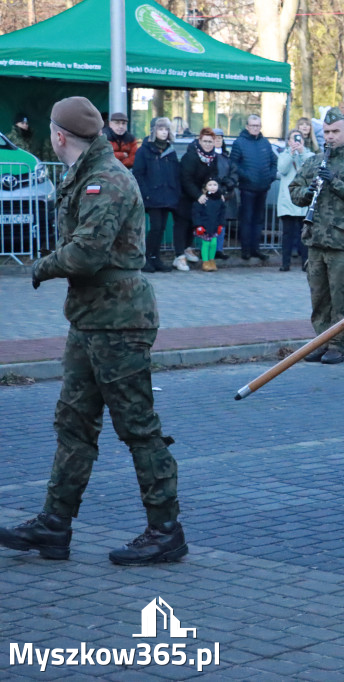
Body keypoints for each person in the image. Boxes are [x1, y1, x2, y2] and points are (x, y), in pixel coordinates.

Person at [0, 97, 186, 566]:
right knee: (74, 424)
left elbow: (86, 254)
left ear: (59, 136)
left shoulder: (106, 180)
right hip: (90, 318)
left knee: (137, 427)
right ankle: (54, 524)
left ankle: (166, 530)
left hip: (119, 321)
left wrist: (41, 266)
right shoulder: (83, 174)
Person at [289, 107, 344, 365]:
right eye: (326, 132)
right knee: (319, 299)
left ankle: (337, 344)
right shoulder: (314, 161)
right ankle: (321, 341)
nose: (330, 136)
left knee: (339, 298)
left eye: (336, 131)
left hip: (341, 243)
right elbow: (294, 190)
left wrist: (334, 181)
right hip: (315, 240)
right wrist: (309, 190)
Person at [132, 117, 186, 273]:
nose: (164, 132)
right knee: (155, 227)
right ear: (154, 130)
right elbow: (139, 173)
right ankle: (147, 257)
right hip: (152, 195)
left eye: (166, 129)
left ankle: (156, 257)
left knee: (161, 228)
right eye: (161, 129)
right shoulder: (144, 150)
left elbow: (176, 173)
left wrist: (176, 192)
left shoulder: (170, 150)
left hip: (168, 195)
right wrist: (145, 193)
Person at [230, 114, 277, 261]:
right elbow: (233, 163)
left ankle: (255, 249)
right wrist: (246, 176)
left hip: (263, 188)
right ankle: (245, 250)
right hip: (247, 188)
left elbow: (274, 162)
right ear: (247, 126)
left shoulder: (265, 143)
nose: (255, 128)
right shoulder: (239, 142)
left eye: (258, 126)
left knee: (258, 220)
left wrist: (270, 176)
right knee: (247, 219)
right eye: (253, 125)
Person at [179, 127, 222, 267]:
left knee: (194, 223)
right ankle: (179, 254)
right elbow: (186, 178)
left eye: (211, 141)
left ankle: (187, 248)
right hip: (186, 194)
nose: (208, 144)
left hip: (202, 195)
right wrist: (198, 195)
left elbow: (213, 177)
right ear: (199, 141)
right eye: (205, 141)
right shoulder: (191, 156)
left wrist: (216, 193)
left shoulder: (213, 157)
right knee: (183, 223)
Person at [277, 128, 314, 272]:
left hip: (303, 200)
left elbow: (311, 168)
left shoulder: (308, 154)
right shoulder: (284, 154)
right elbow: (282, 169)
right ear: (288, 141)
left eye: (299, 139)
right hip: (287, 201)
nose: (297, 142)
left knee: (304, 234)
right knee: (287, 235)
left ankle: (305, 262)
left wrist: (301, 152)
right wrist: (291, 154)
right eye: (294, 139)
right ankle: (285, 263)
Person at [210, 127, 236, 260]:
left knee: (222, 222)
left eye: (220, 138)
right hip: (212, 192)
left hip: (225, 193)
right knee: (211, 222)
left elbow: (233, 172)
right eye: (215, 138)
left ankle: (219, 249)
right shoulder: (209, 156)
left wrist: (230, 183)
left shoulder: (227, 156)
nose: (218, 141)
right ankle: (211, 250)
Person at [192, 178, 225, 272]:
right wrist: (198, 225)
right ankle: (205, 262)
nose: (213, 187)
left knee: (214, 243)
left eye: (215, 185)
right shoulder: (202, 199)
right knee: (206, 244)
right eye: (210, 185)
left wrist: (221, 224)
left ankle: (212, 260)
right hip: (204, 226)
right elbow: (196, 213)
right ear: (205, 187)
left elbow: (222, 213)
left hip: (215, 226)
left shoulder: (219, 200)